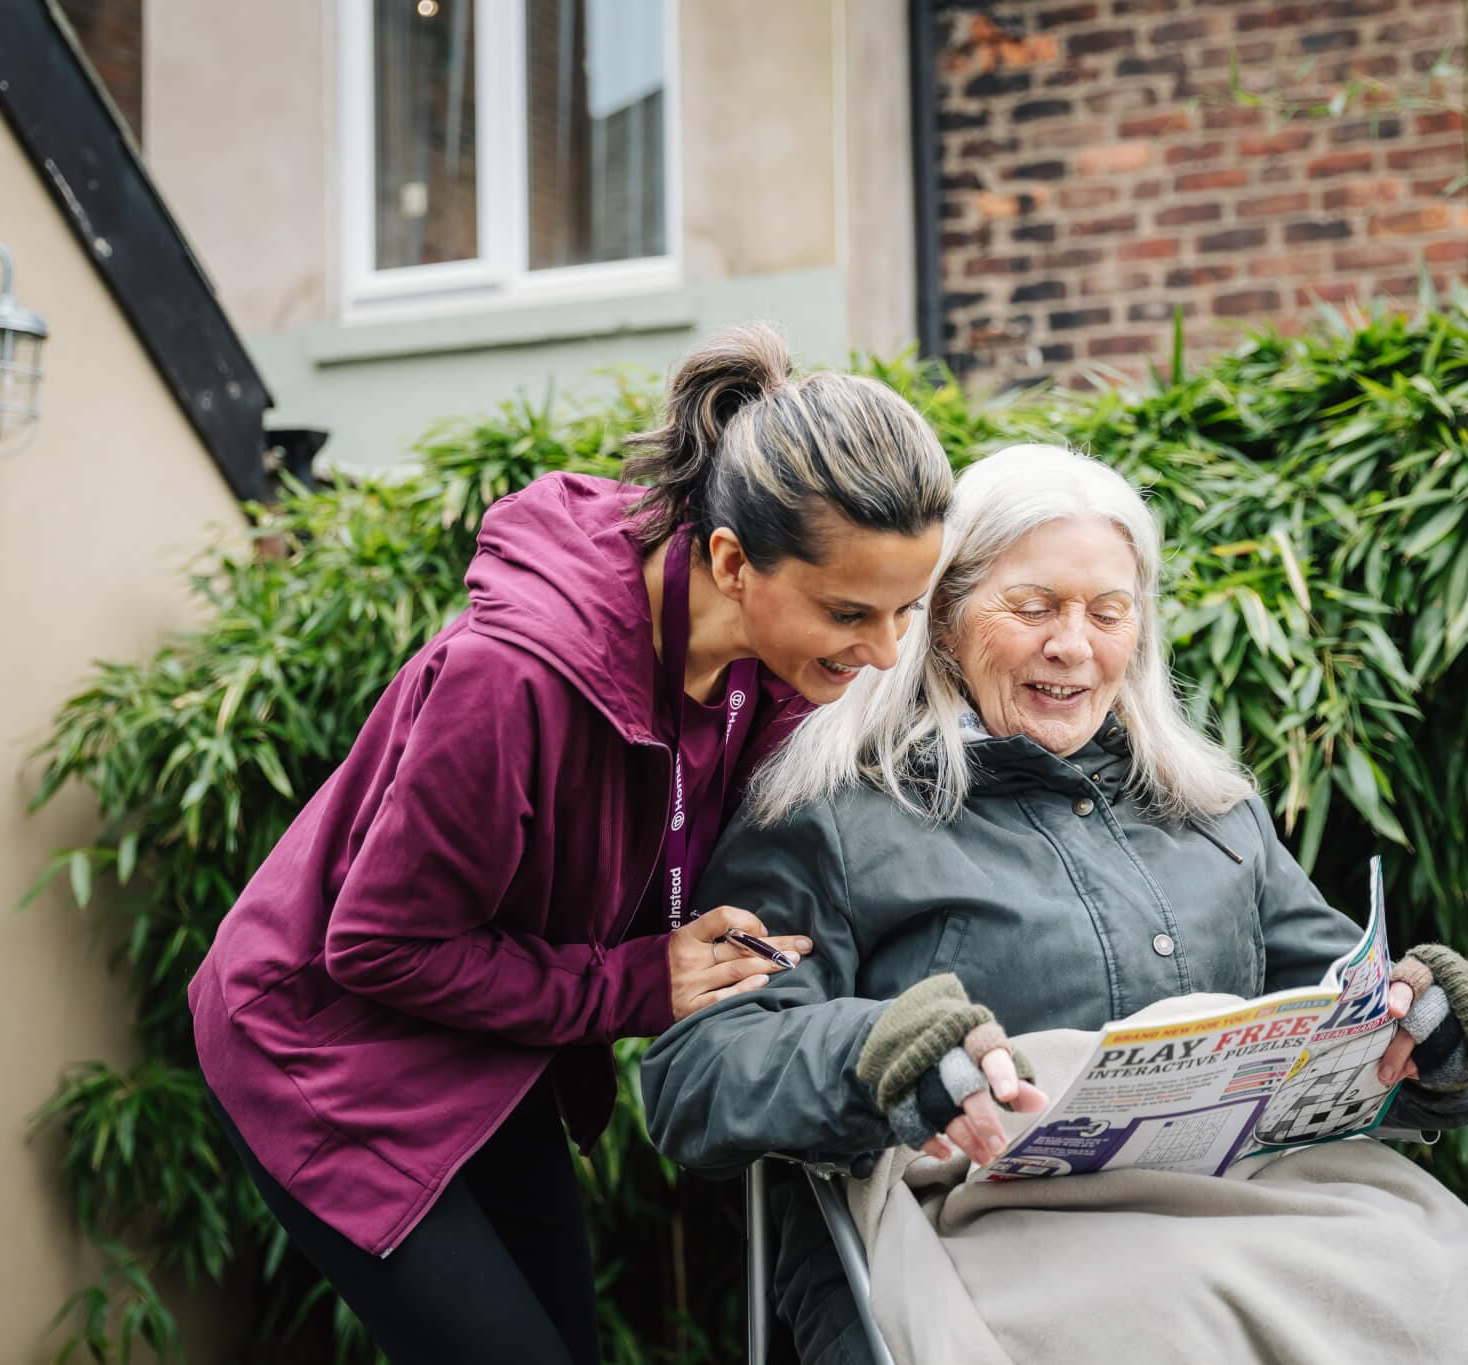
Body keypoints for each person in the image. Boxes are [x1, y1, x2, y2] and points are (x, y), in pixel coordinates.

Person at [642, 444, 1468, 1365]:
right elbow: (696, 1076)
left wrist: (1441, 1036)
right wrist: (873, 1053)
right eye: (1034, 605)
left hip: (1250, 1202)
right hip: (982, 1227)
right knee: (1167, 1318)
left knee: (1439, 1272)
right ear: (944, 615)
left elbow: (1359, 1018)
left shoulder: (1212, 809)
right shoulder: (831, 811)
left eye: (1107, 611)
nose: (1073, 643)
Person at [187, 323, 953, 1364]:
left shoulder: (761, 665)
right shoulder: (512, 680)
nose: (881, 651)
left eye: (906, 608)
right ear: (731, 561)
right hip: (325, 1041)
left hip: (489, 1041)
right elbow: (376, 946)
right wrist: (642, 983)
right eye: (850, 612)